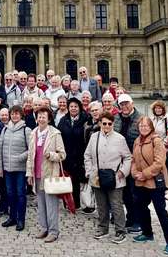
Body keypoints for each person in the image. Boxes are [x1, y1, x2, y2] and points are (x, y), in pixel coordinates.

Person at [131, 117, 168, 255]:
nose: (143, 128)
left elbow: (159, 163)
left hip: (155, 182)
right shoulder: (137, 141)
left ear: (151, 127)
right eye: (141, 126)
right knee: (141, 207)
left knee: (160, 211)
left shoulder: (156, 141)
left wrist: (144, 174)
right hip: (141, 181)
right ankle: (147, 232)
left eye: (146, 126)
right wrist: (134, 173)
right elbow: (133, 160)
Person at [84, 111, 131, 244]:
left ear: (113, 124)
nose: (107, 126)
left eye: (109, 123)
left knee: (116, 205)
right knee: (101, 204)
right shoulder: (94, 137)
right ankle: (103, 228)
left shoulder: (119, 139)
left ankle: (120, 231)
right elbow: (87, 155)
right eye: (104, 123)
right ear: (100, 123)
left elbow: (128, 157)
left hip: (115, 177)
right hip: (97, 176)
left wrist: (122, 172)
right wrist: (89, 171)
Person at [26, 107, 66, 243]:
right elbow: (30, 156)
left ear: (49, 119)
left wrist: (51, 155)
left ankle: (53, 231)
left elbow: (62, 154)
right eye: (39, 116)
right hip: (36, 173)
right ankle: (44, 228)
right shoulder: (33, 133)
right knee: (41, 204)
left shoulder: (55, 133)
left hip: (50, 174)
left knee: (51, 204)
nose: (41, 119)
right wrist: (29, 173)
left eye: (44, 116)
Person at [112, 93, 143, 234]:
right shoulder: (116, 118)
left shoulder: (140, 118)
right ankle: (129, 218)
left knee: (135, 192)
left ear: (132, 104)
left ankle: (137, 220)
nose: (124, 106)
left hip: (135, 160)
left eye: (126, 104)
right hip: (120, 162)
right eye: (121, 104)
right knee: (124, 192)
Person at [0, 105, 30, 231]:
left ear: (21, 115)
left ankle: (21, 219)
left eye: (17, 113)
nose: (15, 116)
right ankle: (12, 217)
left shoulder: (26, 130)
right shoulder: (5, 130)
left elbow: (31, 150)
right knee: (10, 194)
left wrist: (19, 157)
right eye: (13, 113)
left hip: (20, 169)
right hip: (7, 169)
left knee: (20, 194)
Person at [57, 97, 90, 212]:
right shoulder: (63, 120)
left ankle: (81, 203)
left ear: (79, 107)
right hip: (67, 155)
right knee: (68, 179)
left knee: (79, 180)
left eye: (76, 106)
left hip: (80, 154)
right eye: (71, 106)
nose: (73, 108)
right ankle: (69, 202)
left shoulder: (85, 119)